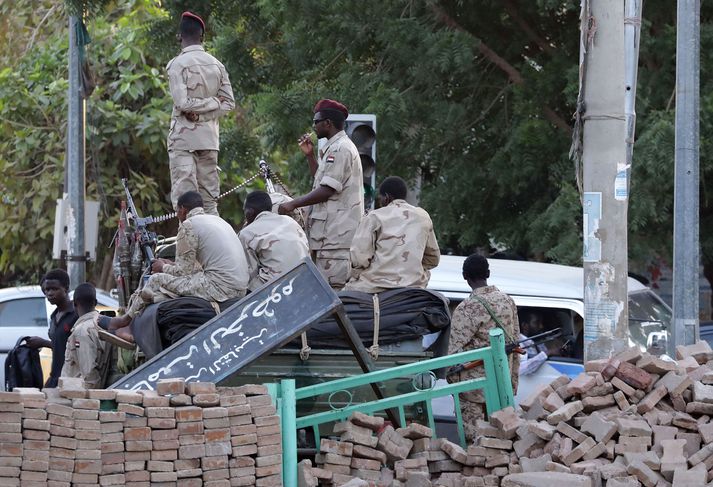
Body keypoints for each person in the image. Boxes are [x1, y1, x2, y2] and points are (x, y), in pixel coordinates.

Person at [105, 191, 249, 346]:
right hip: (239, 288)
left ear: (183, 209)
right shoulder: (218, 221)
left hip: (219, 288)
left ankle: (125, 321)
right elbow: (194, 268)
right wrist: (170, 265)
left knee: (155, 280)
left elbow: (182, 272)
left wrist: (162, 267)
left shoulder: (188, 225)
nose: (177, 215)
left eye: (177, 212)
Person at [278, 99, 364, 289]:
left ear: (328, 123)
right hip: (327, 239)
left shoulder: (340, 149)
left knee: (332, 293)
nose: (313, 126)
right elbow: (321, 180)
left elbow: (327, 191)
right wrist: (309, 155)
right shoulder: (333, 148)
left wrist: (292, 204)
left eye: (316, 121)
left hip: (336, 240)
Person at [167, 11, 235, 216]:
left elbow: (182, 103)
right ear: (202, 37)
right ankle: (213, 245)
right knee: (210, 202)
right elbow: (228, 103)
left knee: (185, 201)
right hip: (209, 140)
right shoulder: (217, 65)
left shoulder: (176, 65)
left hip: (183, 141)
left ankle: (191, 246)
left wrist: (195, 113)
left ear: (180, 36)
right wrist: (213, 104)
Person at [447, 254, 520, 440]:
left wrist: (454, 386)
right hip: (501, 385)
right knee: (502, 442)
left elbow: (453, 356)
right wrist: (511, 384)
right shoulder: (507, 301)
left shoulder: (466, 308)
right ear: (488, 273)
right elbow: (514, 343)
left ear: (465, 276)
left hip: (474, 393)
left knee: (475, 445)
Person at [343, 176, 440, 293]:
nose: (380, 202)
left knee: (342, 297)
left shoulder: (374, 217)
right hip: (413, 285)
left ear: (387, 197)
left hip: (374, 286)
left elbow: (359, 259)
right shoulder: (423, 217)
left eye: (381, 198)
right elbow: (433, 259)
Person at [238, 191, 309, 291]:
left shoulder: (247, 233)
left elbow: (249, 273)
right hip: (306, 276)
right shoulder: (290, 221)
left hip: (277, 287)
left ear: (250, 212)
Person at [26, 269, 78, 388]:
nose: (49, 293)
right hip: (55, 378)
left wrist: (43, 342)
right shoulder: (54, 316)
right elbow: (59, 346)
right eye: (47, 290)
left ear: (65, 289)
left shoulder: (76, 314)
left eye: (54, 289)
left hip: (71, 380)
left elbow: (75, 348)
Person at [61, 283, 113, 389]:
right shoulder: (103, 325)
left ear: (74, 304)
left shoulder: (82, 332)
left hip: (77, 396)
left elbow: (89, 375)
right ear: (96, 303)